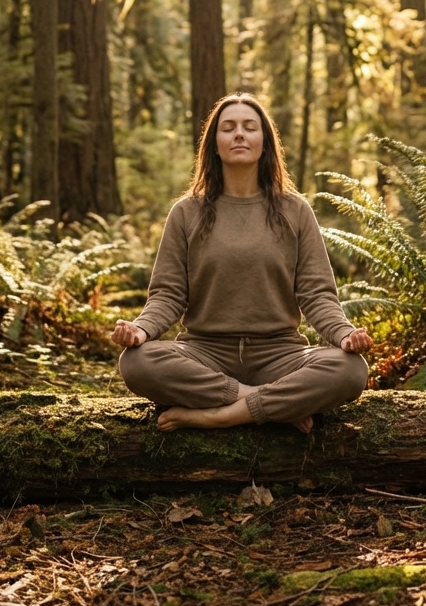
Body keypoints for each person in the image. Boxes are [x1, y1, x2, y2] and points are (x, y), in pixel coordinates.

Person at [111, 92, 372, 433]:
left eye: (249, 127)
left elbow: (317, 294)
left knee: (351, 370)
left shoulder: (295, 211)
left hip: (280, 356)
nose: (238, 134)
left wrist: (345, 335)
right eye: (228, 127)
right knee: (137, 363)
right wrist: (141, 330)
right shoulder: (186, 212)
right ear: (213, 144)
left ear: (265, 142)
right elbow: (168, 294)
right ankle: (269, 403)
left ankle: (218, 416)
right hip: (204, 354)